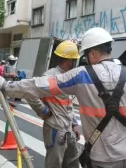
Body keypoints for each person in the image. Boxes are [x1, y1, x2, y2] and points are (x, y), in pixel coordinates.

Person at [0, 27, 126, 168]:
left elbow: (39, 86)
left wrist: (6, 86)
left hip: (104, 159)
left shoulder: (81, 75)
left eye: (86, 55)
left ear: (93, 53)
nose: (85, 60)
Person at [26, 40, 81, 168]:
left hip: (68, 129)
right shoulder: (50, 76)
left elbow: (67, 104)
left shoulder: (68, 76)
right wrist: (44, 112)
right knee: (54, 164)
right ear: (69, 60)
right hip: (55, 129)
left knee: (73, 162)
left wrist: (74, 124)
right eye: (74, 60)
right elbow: (31, 94)